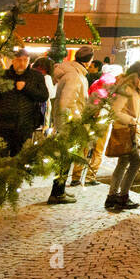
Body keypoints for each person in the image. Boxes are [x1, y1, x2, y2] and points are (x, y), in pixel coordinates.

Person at [47, 46, 92, 204]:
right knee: (65, 159)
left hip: (65, 122)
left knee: (65, 159)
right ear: (89, 61)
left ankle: (60, 190)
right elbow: (67, 102)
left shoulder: (72, 73)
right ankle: (57, 193)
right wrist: (76, 121)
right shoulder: (74, 76)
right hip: (69, 124)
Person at [0, 49, 48, 156]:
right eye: (19, 60)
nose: (22, 63)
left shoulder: (36, 76)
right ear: (13, 61)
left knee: (20, 160)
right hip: (2, 126)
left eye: (25, 60)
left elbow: (43, 96)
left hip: (24, 126)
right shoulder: (1, 76)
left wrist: (26, 88)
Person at [105, 62, 140, 212]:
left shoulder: (134, 87)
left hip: (129, 129)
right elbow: (115, 111)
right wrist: (132, 121)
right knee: (136, 161)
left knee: (123, 163)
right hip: (125, 129)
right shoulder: (127, 88)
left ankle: (112, 197)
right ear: (137, 72)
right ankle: (122, 196)